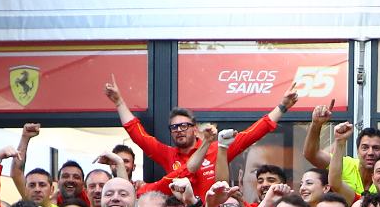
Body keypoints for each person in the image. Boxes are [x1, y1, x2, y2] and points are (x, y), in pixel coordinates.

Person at [110, 78, 293, 196]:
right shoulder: (167, 154)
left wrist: (282, 107)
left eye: (184, 125)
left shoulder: (217, 148)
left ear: (195, 129)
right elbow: (137, 134)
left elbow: (254, 132)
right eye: (174, 127)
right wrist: (119, 102)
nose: (179, 130)